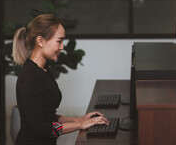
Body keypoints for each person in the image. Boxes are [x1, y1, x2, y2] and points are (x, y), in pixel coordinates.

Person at [12, 14, 109, 145]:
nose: (62, 47)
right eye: (59, 41)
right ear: (40, 41)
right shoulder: (30, 77)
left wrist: (79, 119)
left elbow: (48, 116)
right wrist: (80, 125)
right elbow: (39, 128)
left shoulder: (42, 70)